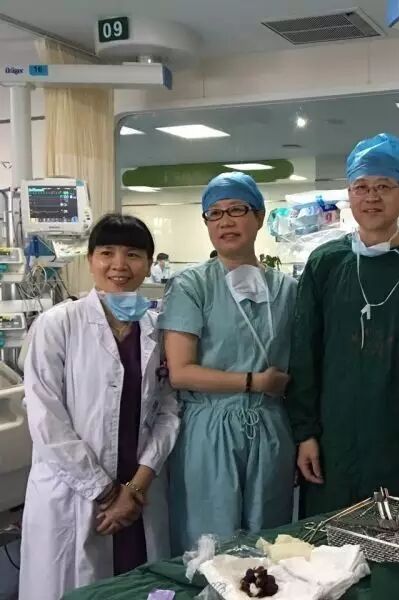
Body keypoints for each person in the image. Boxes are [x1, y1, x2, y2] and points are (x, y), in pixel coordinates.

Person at [287, 133, 399, 517]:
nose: (371, 197)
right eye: (361, 187)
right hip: (336, 438)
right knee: (330, 537)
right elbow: (304, 354)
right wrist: (306, 433)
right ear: (349, 196)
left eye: (383, 186)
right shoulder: (326, 263)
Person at [19, 214, 180, 599]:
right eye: (107, 252)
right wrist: (109, 494)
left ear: (150, 263)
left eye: (133, 254)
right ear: (90, 260)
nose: (119, 265)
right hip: (76, 494)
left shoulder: (157, 329)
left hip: (139, 493)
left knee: (136, 586)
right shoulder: (57, 325)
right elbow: (46, 420)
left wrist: (136, 487)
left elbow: (169, 411)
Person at [159, 172, 296, 553]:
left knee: (269, 541)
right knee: (209, 543)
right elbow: (181, 372)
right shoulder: (192, 286)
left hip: (270, 429)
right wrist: (254, 382)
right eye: (215, 213)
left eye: (237, 210)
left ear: (260, 217)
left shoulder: (288, 290)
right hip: (209, 430)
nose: (225, 221)